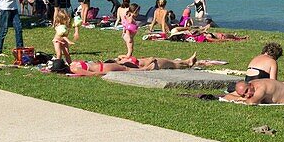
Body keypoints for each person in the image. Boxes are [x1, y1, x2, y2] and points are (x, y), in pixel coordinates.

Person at [68, 53, 197, 76]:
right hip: (112, 68)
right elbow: (93, 74)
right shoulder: (75, 69)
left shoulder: (73, 64)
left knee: (158, 60)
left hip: (114, 65)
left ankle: (186, 62)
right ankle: (185, 63)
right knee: (159, 63)